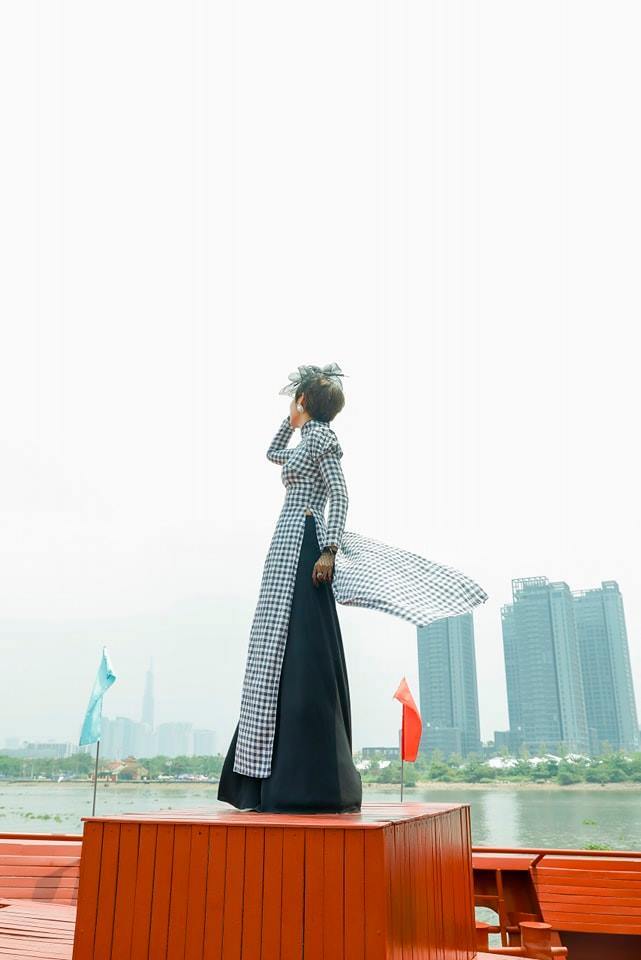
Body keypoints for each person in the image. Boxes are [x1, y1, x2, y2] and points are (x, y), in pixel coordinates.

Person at [218, 362, 488, 814]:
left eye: (295, 399)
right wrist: (289, 422)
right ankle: (260, 775)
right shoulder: (303, 439)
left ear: (305, 400)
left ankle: (301, 778)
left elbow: (340, 494)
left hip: (306, 536)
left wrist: (329, 549)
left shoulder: (322, 438)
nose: (291, 405)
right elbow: (272, 453)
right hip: (285, 540)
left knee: (300, 643)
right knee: (271, 647)